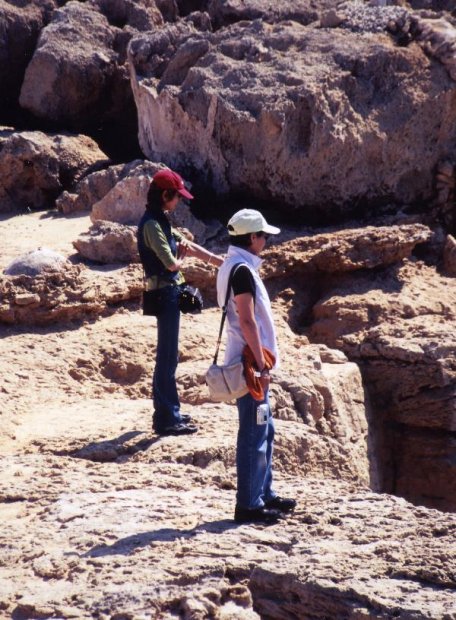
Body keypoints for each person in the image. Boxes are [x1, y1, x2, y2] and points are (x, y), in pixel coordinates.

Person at [216, 209, 296, 524]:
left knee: (265, 428)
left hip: (248, 360)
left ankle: (264, 493)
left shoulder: (233, 265)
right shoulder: (241, 271)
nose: (266, 241)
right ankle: (248, 505)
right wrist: (262, 367)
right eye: (264, 236)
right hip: (249, 364)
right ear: (252, 238)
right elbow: (247, 321)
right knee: (253, 432)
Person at [138, 168, 222, 436]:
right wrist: (183, 259)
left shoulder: (159, 220)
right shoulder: (152, 224)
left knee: (169, 357)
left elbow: (185, 244)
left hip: (168, 293)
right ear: (165, 195)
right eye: (177, 198)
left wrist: (220, 262)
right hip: (165, 294)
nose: (179, 202)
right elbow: (172, 264)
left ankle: (170, 412)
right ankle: (165, 419)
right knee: (167, 358)